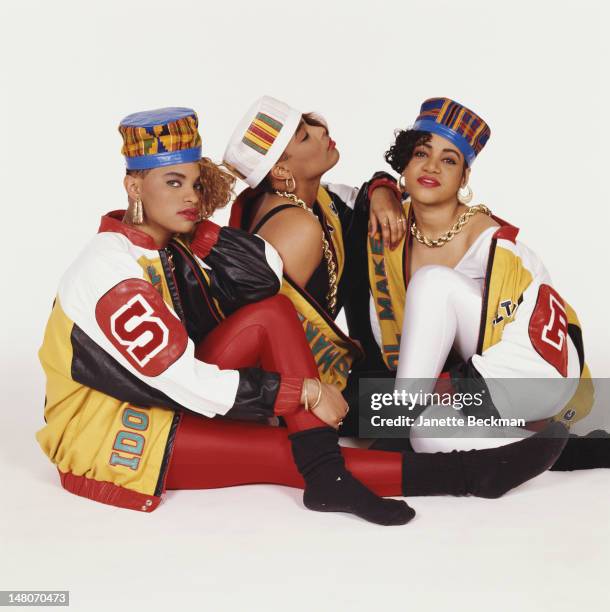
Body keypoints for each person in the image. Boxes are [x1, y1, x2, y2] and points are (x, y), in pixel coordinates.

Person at [35, 107, 570, 524]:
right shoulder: (110, 272)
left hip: (205, 384)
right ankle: (460, 474)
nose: (193, 197)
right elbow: (179, 381)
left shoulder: (178, 243)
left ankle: (518, 442)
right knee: (280, 453)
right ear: (134, 187)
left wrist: (385, 188)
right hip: (116, 426)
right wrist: (297, 394)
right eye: (173, 183)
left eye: (196, 183)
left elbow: (264, 284)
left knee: (276, 324)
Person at [346, 97, 603, 464]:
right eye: (421, 153)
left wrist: (454, 386)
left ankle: (402, 413)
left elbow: (542, 344)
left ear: (464, 177)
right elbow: (335, 201)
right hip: (465, 383)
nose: (432, 166)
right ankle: (561, 452)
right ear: (405, 162)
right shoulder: (390, 221)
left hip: (531, 371)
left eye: (449, 160)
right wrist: (380, 187)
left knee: (433, 282)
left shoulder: (495, 244)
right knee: (427, 434)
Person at [224, 96, 407, 432]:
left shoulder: (317, 202)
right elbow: (264, 347)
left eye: (309, 123)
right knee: (436, 404)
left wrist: (383, 190)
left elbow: (360, 200)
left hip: (324, 384)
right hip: (302, 403)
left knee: (434, 393)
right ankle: (523, 404)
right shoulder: (297, 228)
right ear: (280, 171)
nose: (322, 130)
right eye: (305, 135)